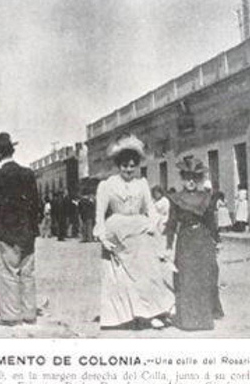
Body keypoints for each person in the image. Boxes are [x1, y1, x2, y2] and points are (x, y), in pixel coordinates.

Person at [94, 134, 174, 330]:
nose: (128, 170)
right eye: (124, 165)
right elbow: (99, 215)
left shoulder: (142, 184)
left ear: (137, 165)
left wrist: (152, 225)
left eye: (132, 165)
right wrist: (102, 237)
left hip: (140, 233)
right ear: (118, 165)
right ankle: (134, 315)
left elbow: (152, 210)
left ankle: (153, 311)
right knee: (123, 279)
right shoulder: (107, 185)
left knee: (147, 274)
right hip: (117, 234)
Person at [164, 156, 224, 331]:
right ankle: (188, 320)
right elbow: (172, 222)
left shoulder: (205, 197)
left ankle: (204, 318)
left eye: (194, 178)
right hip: (185, 240)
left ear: (198, 180)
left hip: (203, 239)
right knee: (186, 277)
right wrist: (168, 245)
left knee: (204, 276)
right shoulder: (176, 198)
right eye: (187, 177)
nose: (190, 181)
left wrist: (217, 241)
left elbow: (210, 222)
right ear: (182, 178)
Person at [0, 132, 41, 326]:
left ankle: (12, 315)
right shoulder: (27, 173)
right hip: (28, 231)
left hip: (8, 233)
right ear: (12, 149)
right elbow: (36, 204)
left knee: (9, 273)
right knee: (28, 273)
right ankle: (29, 313)